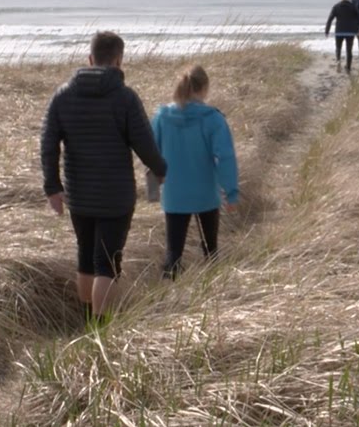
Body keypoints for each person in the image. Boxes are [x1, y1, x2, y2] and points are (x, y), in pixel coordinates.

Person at [40, 31, 166, 319]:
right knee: (107, 263)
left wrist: (52, 187)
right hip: (115, 195)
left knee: (86, 256)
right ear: (119, 60)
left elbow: (48, 145)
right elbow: (145, 144)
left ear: (90, 58)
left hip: (79, 194)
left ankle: (89, 321)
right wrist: (160, 170)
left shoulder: (63, 95)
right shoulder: (125, 98)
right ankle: (101, 328)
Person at [151, 65, 240, 278]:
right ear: (204, 88)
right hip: (205, 194)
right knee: (210, 251)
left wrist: (152, 191)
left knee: (173, 254)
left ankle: (169, 291)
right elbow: (225, 157)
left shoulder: (162, 117)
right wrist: (231, 192)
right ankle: (213, 290)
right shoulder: (213, 118)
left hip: (174, 195)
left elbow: (151, 154)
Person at [325, 0, 359, 73]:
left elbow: (330, 19)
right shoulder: (353, 6)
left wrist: (327, 31)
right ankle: (348, 67)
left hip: (339, 31)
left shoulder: (336, 6)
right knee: (349, 50)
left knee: (338, 48)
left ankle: (338, 61)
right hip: (350, 32)